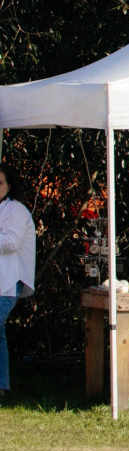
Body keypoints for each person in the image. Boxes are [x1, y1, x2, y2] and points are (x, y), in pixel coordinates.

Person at [0, 163, 37, 398]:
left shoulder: (16, 210)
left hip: (8, 282)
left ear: (9, 186)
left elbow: (11, 243)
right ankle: (2, 385)